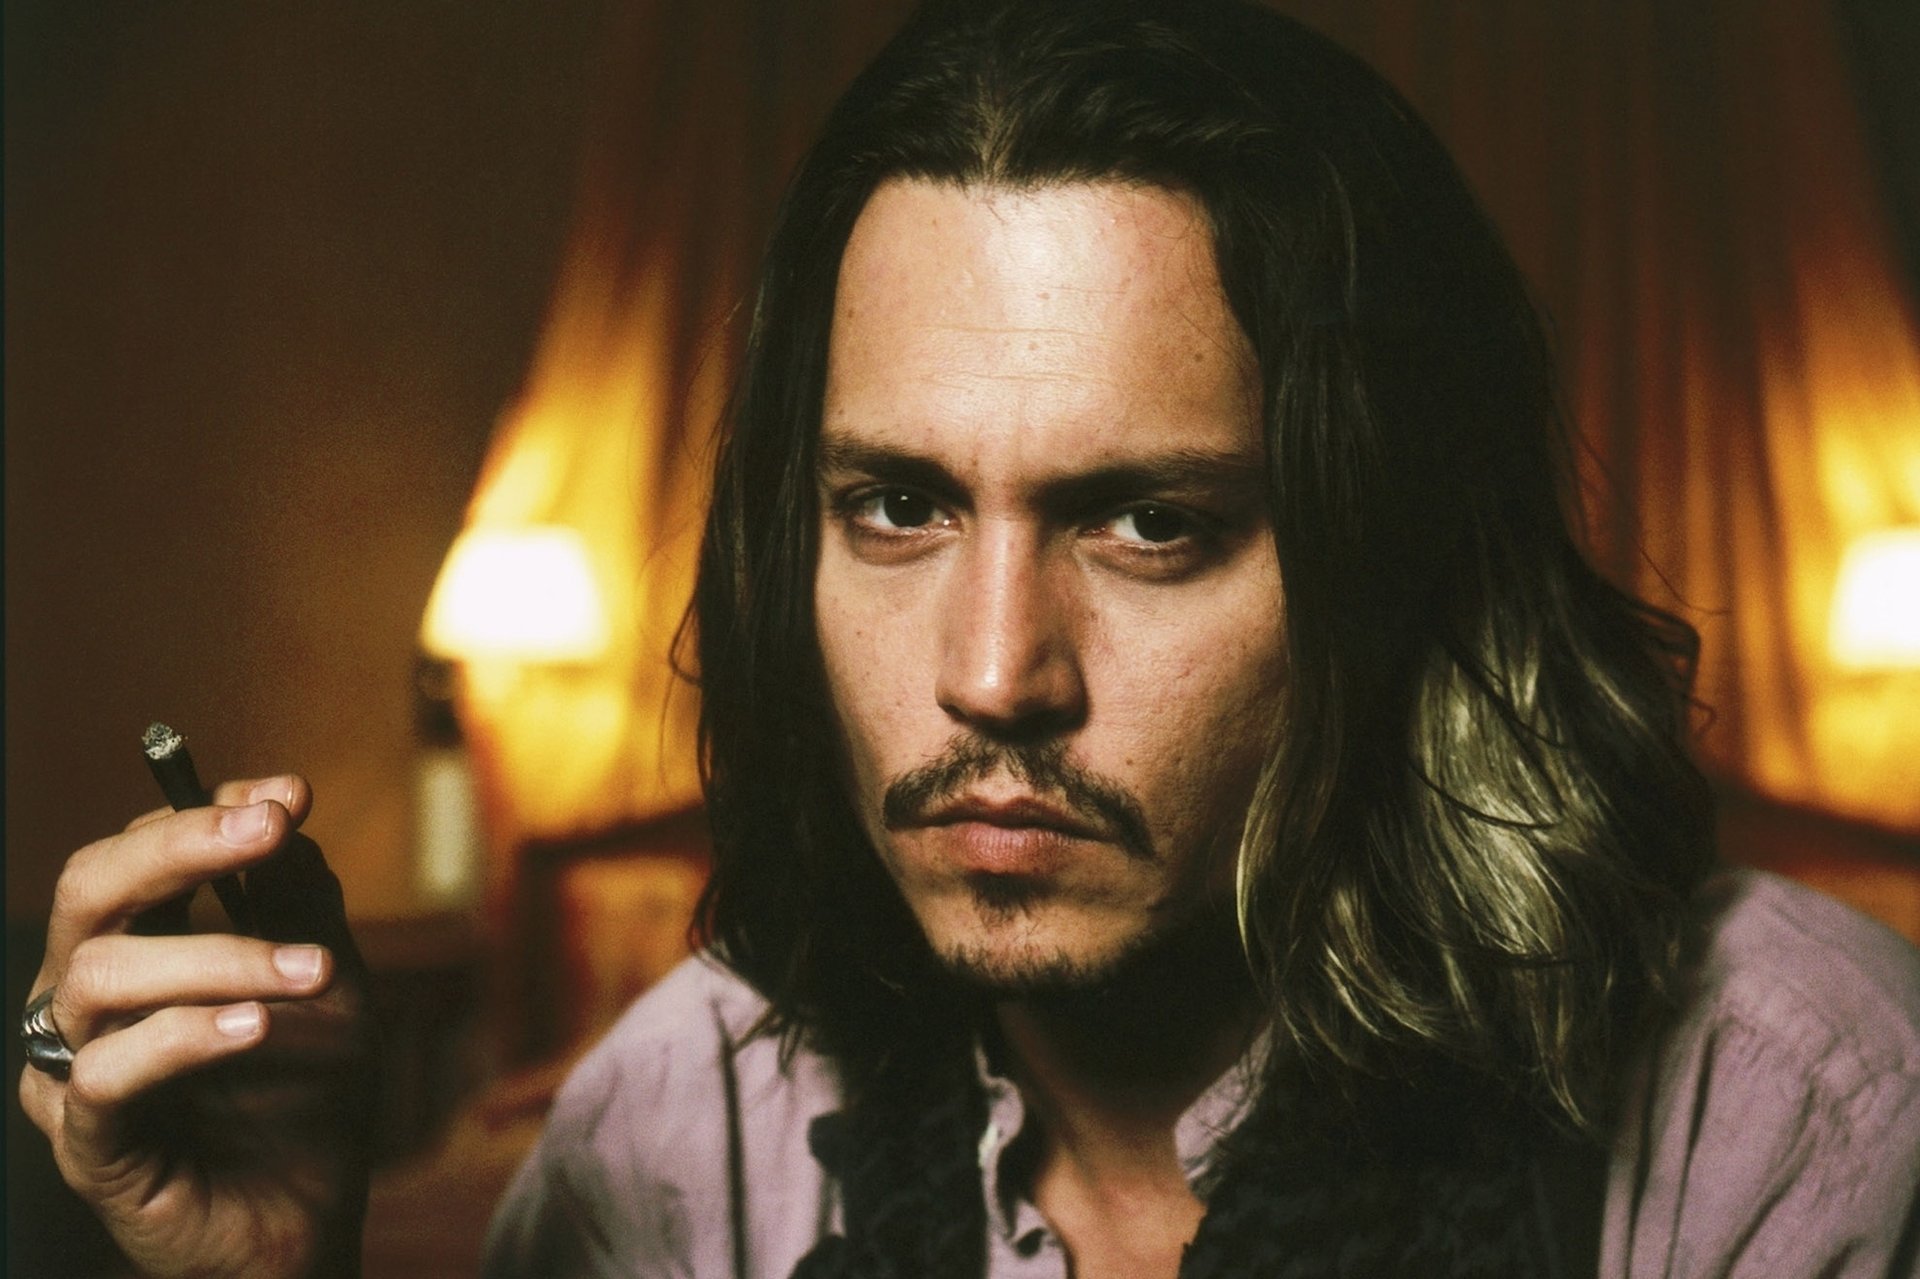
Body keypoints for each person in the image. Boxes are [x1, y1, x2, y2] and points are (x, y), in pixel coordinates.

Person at [21, 1, 1920, 1276]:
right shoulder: (687, 1122)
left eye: (1151, 522)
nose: (993, 674)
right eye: (897, 508)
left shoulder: (1780, 1107)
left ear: (1396, 564)